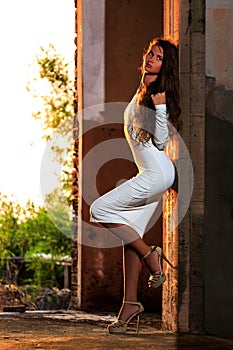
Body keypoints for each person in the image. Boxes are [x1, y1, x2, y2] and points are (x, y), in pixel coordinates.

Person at [89, 37, 181, 334]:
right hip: (152, 172)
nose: (152, 59)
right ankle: (130, 305)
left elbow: (162, 140)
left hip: (156, 174)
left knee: (100, 209)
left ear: (166, 66)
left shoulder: (158, 92)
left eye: (159, 57)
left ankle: (151, 256)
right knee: (131, 235)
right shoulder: (143, 87)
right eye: (151, 53)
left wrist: (163, 108)